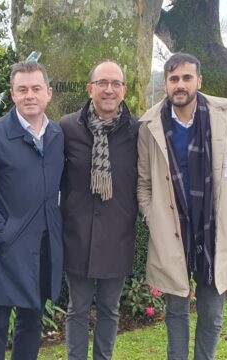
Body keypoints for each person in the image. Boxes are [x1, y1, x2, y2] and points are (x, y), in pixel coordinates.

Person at [136, 52, 227, 360]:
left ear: (199, 80)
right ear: (165, 84)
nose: (181, 85)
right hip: (171, 230)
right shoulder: (150, 125)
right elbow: (144, 184)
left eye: (187, 78)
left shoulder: (223, 116)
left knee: (212, 314)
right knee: (176, 312)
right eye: (174, 79)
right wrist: (155, 218)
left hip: (215, 229)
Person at [0, 61, 64, 360]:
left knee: (31, 322)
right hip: (3, 249)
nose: (29, 95)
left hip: (42, 247)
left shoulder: (57, 137)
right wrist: (3, 232)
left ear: (49, 93)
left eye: (36, 88)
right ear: (12, 95)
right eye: (22, 89)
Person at [60, 60, 140, 360]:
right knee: (77, 309)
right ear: (89, 88)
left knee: (110, 309)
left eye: (115, 84)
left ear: (124, 90)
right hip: (77, 235)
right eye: (102, 83)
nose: (109, 89)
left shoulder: (136, 131)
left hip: (117, 236)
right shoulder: (68, 128)